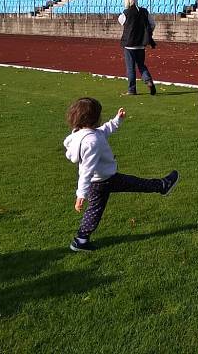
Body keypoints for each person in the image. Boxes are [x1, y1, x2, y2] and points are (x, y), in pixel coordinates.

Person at [64, 97, 179, 252]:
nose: (101, 117)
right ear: (93, 118)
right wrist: (81, 194)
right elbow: (86, 169)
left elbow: (104, 130)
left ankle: (81, 240)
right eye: (100, 114)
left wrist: (117, 120)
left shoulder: (82, 134)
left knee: (95, 209)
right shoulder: (92, 142)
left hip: (100, 181)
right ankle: (162, 185)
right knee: (135, 184)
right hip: (104, 181)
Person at [118, 0, 157, 95]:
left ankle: (132, 89)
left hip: (129, 44)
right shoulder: (144, 11)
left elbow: (121, 21)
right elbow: (152, 24)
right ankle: (148, 80)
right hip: (141, 44)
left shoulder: (125, 13)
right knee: (141, 65)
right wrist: (147, 34)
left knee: (130, 67)